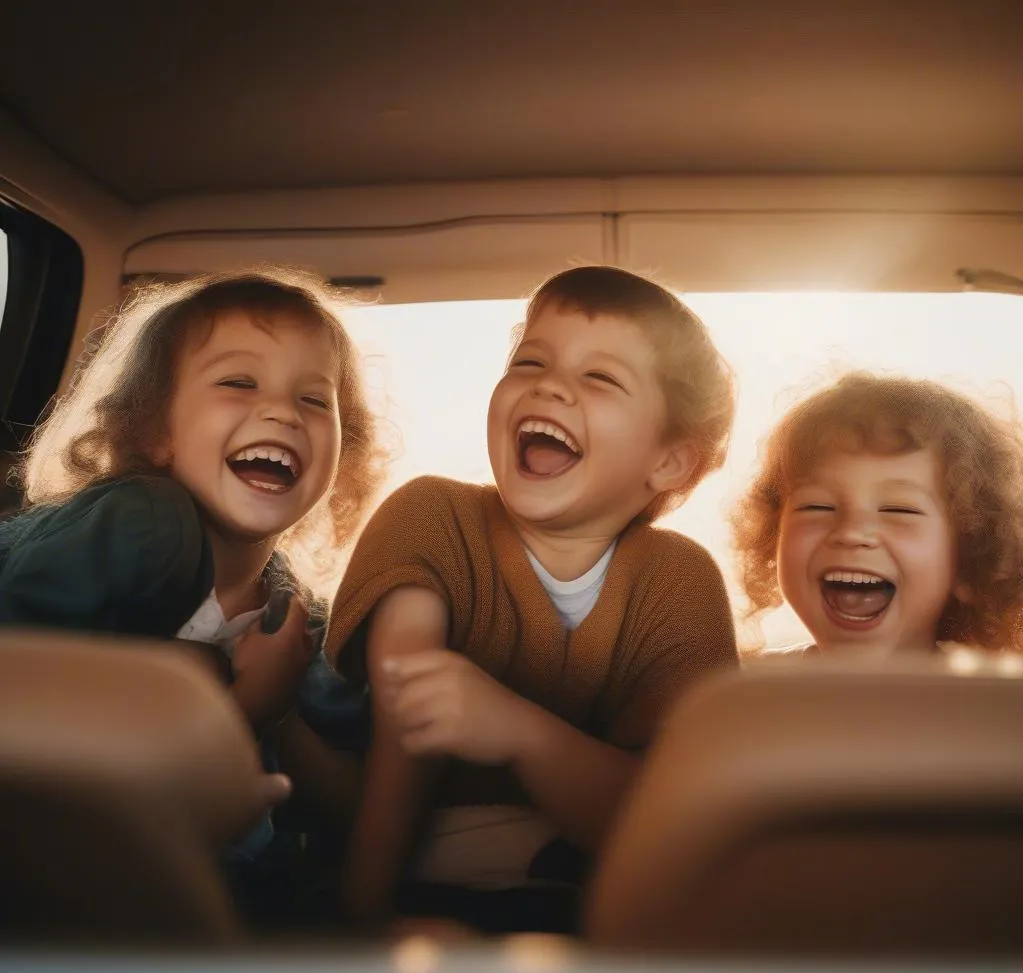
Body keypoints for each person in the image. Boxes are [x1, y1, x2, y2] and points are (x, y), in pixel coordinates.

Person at [326, 265, 739, 933]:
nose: (550, 385)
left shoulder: (680, 581)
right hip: (421, 892)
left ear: (669, 462)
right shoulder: (431, 515)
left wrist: (520, 733)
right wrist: (362, 921)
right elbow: (409, 717)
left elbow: (670, 820)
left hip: (596, 917)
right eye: (530, 361)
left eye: (600, 378)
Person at [0, 268, 385, 914]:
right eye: (239, 383)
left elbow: (354, 805)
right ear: (155, 429)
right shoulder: (136, 522)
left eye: (315, 400)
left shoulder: (301, 620)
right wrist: (242, 705)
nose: (282, 412)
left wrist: (284, 713)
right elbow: (25, 695)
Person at [731, 371, 1023, 657]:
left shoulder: (996, 702)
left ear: (969, 560)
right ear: (774, 536)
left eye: (899, 509)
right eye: (817, 506)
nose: (851, 532)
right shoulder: (746, 695)